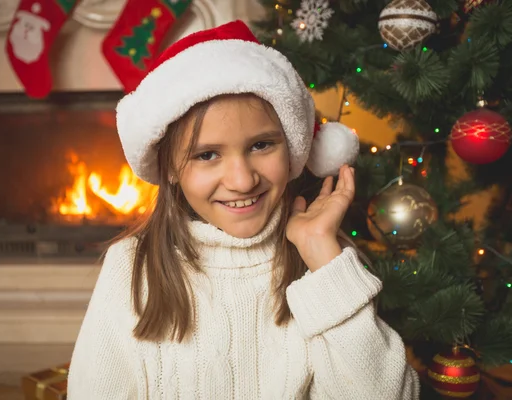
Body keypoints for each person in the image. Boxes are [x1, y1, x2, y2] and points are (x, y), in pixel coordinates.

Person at [68, 20, 419, 399]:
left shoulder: (327, 263)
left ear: (294, 148)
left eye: (261, 146)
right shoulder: (130, 268)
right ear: (169, 167)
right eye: (207, 155)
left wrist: (323, 256)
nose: (241, 180)